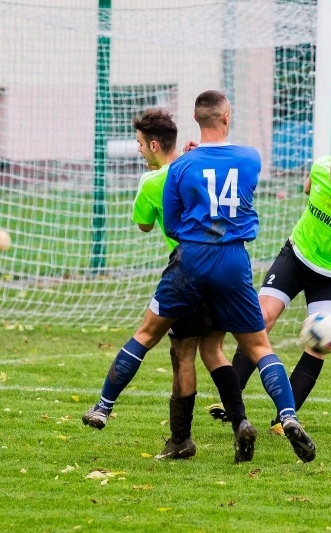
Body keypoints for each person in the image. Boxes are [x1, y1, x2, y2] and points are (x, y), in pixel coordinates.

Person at [82, 90, 316, 463]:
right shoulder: (250, 158)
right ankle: (287, 416)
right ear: (226, 117)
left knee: (150, 336)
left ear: (196, 121)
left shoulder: (179, 168)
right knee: (256, 347)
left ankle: (104, 406)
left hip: (190, 261)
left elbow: (173, 225)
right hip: (233, 261)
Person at [86, 107, 251, 462]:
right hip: (224, 267)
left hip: (187, 270)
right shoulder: (197, 163)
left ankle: (127, 416)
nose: (138, 151)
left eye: (140, 145)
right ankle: (240, 422)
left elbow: (145, 226)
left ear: (155, 144)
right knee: (215, 351)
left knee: (174, 351)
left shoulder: (154, 181)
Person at [210, 139, 331, 434]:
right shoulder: (321, 168)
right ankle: (232, 403)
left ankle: (285, 420)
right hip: (295, 258)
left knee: (320, 343)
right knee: (258, 321)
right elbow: (310, 188)